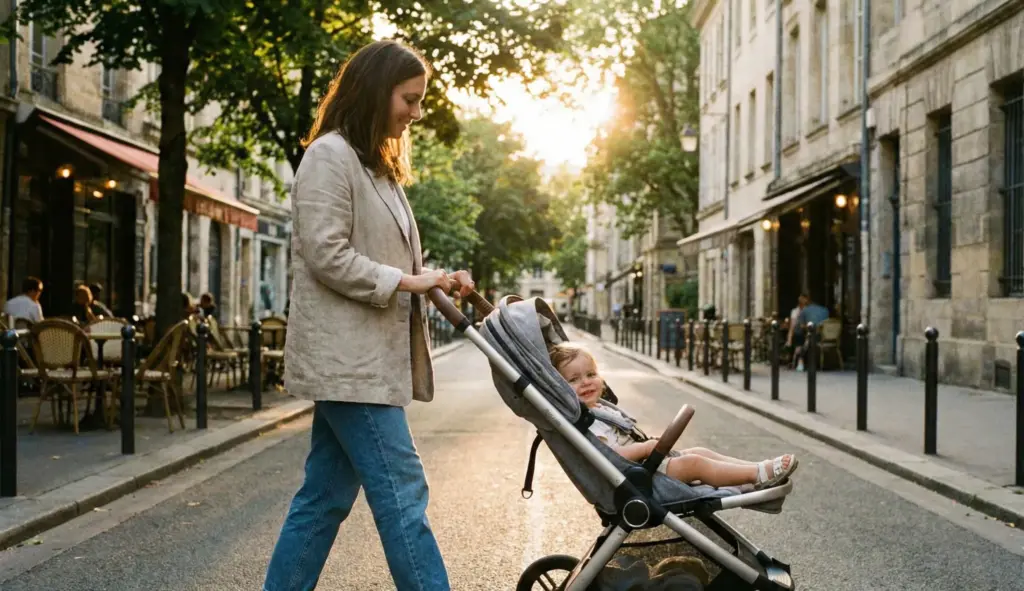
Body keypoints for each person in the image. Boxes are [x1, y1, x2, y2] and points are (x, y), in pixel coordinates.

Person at [263, 40, 474, 591]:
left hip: (365, 363)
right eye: (410, 99)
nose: (417, 113)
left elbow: (388, 256)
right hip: (349, 365)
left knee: (323, 499)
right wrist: (407, 280)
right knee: (403, 494)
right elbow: (325, 251)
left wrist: (438, 276)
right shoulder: (328, 156)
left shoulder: (376, 167)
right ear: (376, 91)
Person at [549, 343, 797, 490]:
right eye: (573, 380)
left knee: (700, 452)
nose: (586, 382)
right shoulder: (589, 423)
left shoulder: (599, 409)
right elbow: (610, 456)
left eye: (591, 374)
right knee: (694, 464)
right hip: (633, 476)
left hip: (641, 468)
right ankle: (758, 474)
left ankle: (754, 472)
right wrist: (646, 448)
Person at [793, 294, 830, 372]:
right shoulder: (825, 310)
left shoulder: (805, 310)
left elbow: (802, 326)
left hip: (813, 336)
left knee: (799, 335)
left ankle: (800, 361)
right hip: (827, 336)